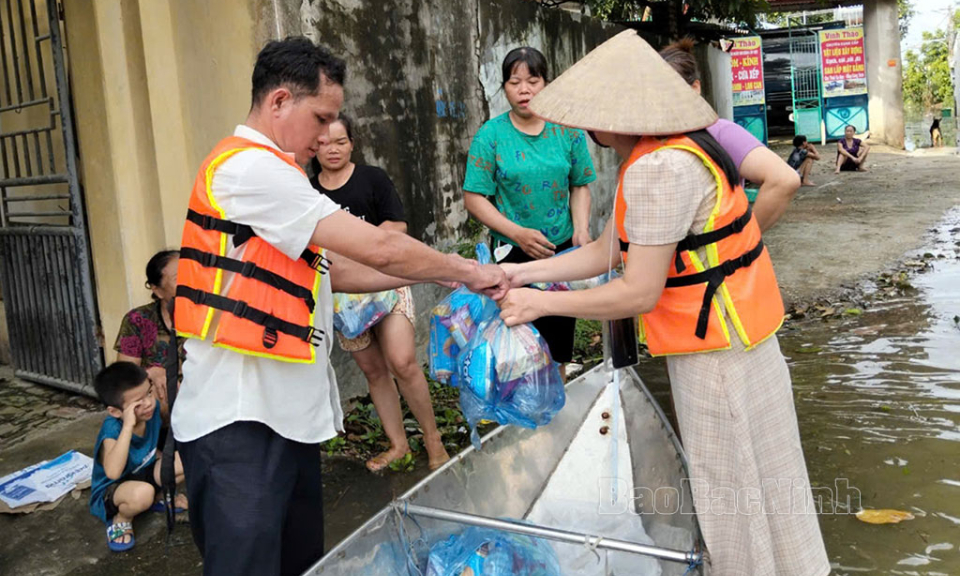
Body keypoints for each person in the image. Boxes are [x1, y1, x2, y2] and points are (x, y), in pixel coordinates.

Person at [170, 37, 506, 576]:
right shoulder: (249, 170)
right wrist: (466, 268)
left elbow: (338, 271)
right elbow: (377, 246)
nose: (328, 134)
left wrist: (449, 279)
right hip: (237, 423)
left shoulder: (276, 174)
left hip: (282, 421)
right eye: (321, 117)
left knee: (301, 562)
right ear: (279, 102)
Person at [498, 30, 830, 575]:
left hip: (717, 357)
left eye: (592, 115)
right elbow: (613, 248)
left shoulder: (657, 170)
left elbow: (638, 290)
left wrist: (540, 305)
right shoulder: (687, 143)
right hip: (744, 340)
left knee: (732, 496)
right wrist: (521, 272)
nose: (585, 127)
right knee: (773, 483)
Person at [310, 114, 450, 472]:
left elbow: (397, 225)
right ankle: (399, 445)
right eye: (323, 143)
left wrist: (361, 247)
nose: (332, 149)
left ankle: (433, 441)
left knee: (402, 361)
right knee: (374, 372)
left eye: (340, 141)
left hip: (385, 282)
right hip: (342, 297)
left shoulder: (372, 178)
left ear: (352, 143)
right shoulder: (308, 192)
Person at [463, 46, 596, 378]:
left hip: (561, 251)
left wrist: (580, 228)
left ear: (546, 84)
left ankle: (558, 398)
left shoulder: (567, 130)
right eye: (514, 82)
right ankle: (525, 408)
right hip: (513, 256)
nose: (524, 90)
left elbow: (580, 183)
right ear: (504, 88)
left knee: (559, 334)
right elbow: (474, 197)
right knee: (519, 341)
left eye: (532, 81)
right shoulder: (490, 136)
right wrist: (516, 232)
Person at [660, 38, 801, 230]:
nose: (662, 101)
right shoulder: (647, 139)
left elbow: (784, 179)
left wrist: (744, 237)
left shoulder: (719, 133)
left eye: (672, 91)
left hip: (716, 256)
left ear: (695, 88)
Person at [89, 362, 186, 552]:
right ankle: (122, 518)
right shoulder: (113, 429)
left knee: (187, 460)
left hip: (143, 474)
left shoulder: (151, 410)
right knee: (142, 494)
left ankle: (159, 496)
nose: (149, 403)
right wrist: (127, 426)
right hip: (114, 490)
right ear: (116, 411)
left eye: (149, 393)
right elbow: (113, 472)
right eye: (138, 402)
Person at [115, 249, 181, 422]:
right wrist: (150, 372)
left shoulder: (210, 317)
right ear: (157, 290)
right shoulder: (138, 320)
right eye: (178, 278)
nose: (189, 283)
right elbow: (124, 373)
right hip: (162, 399)